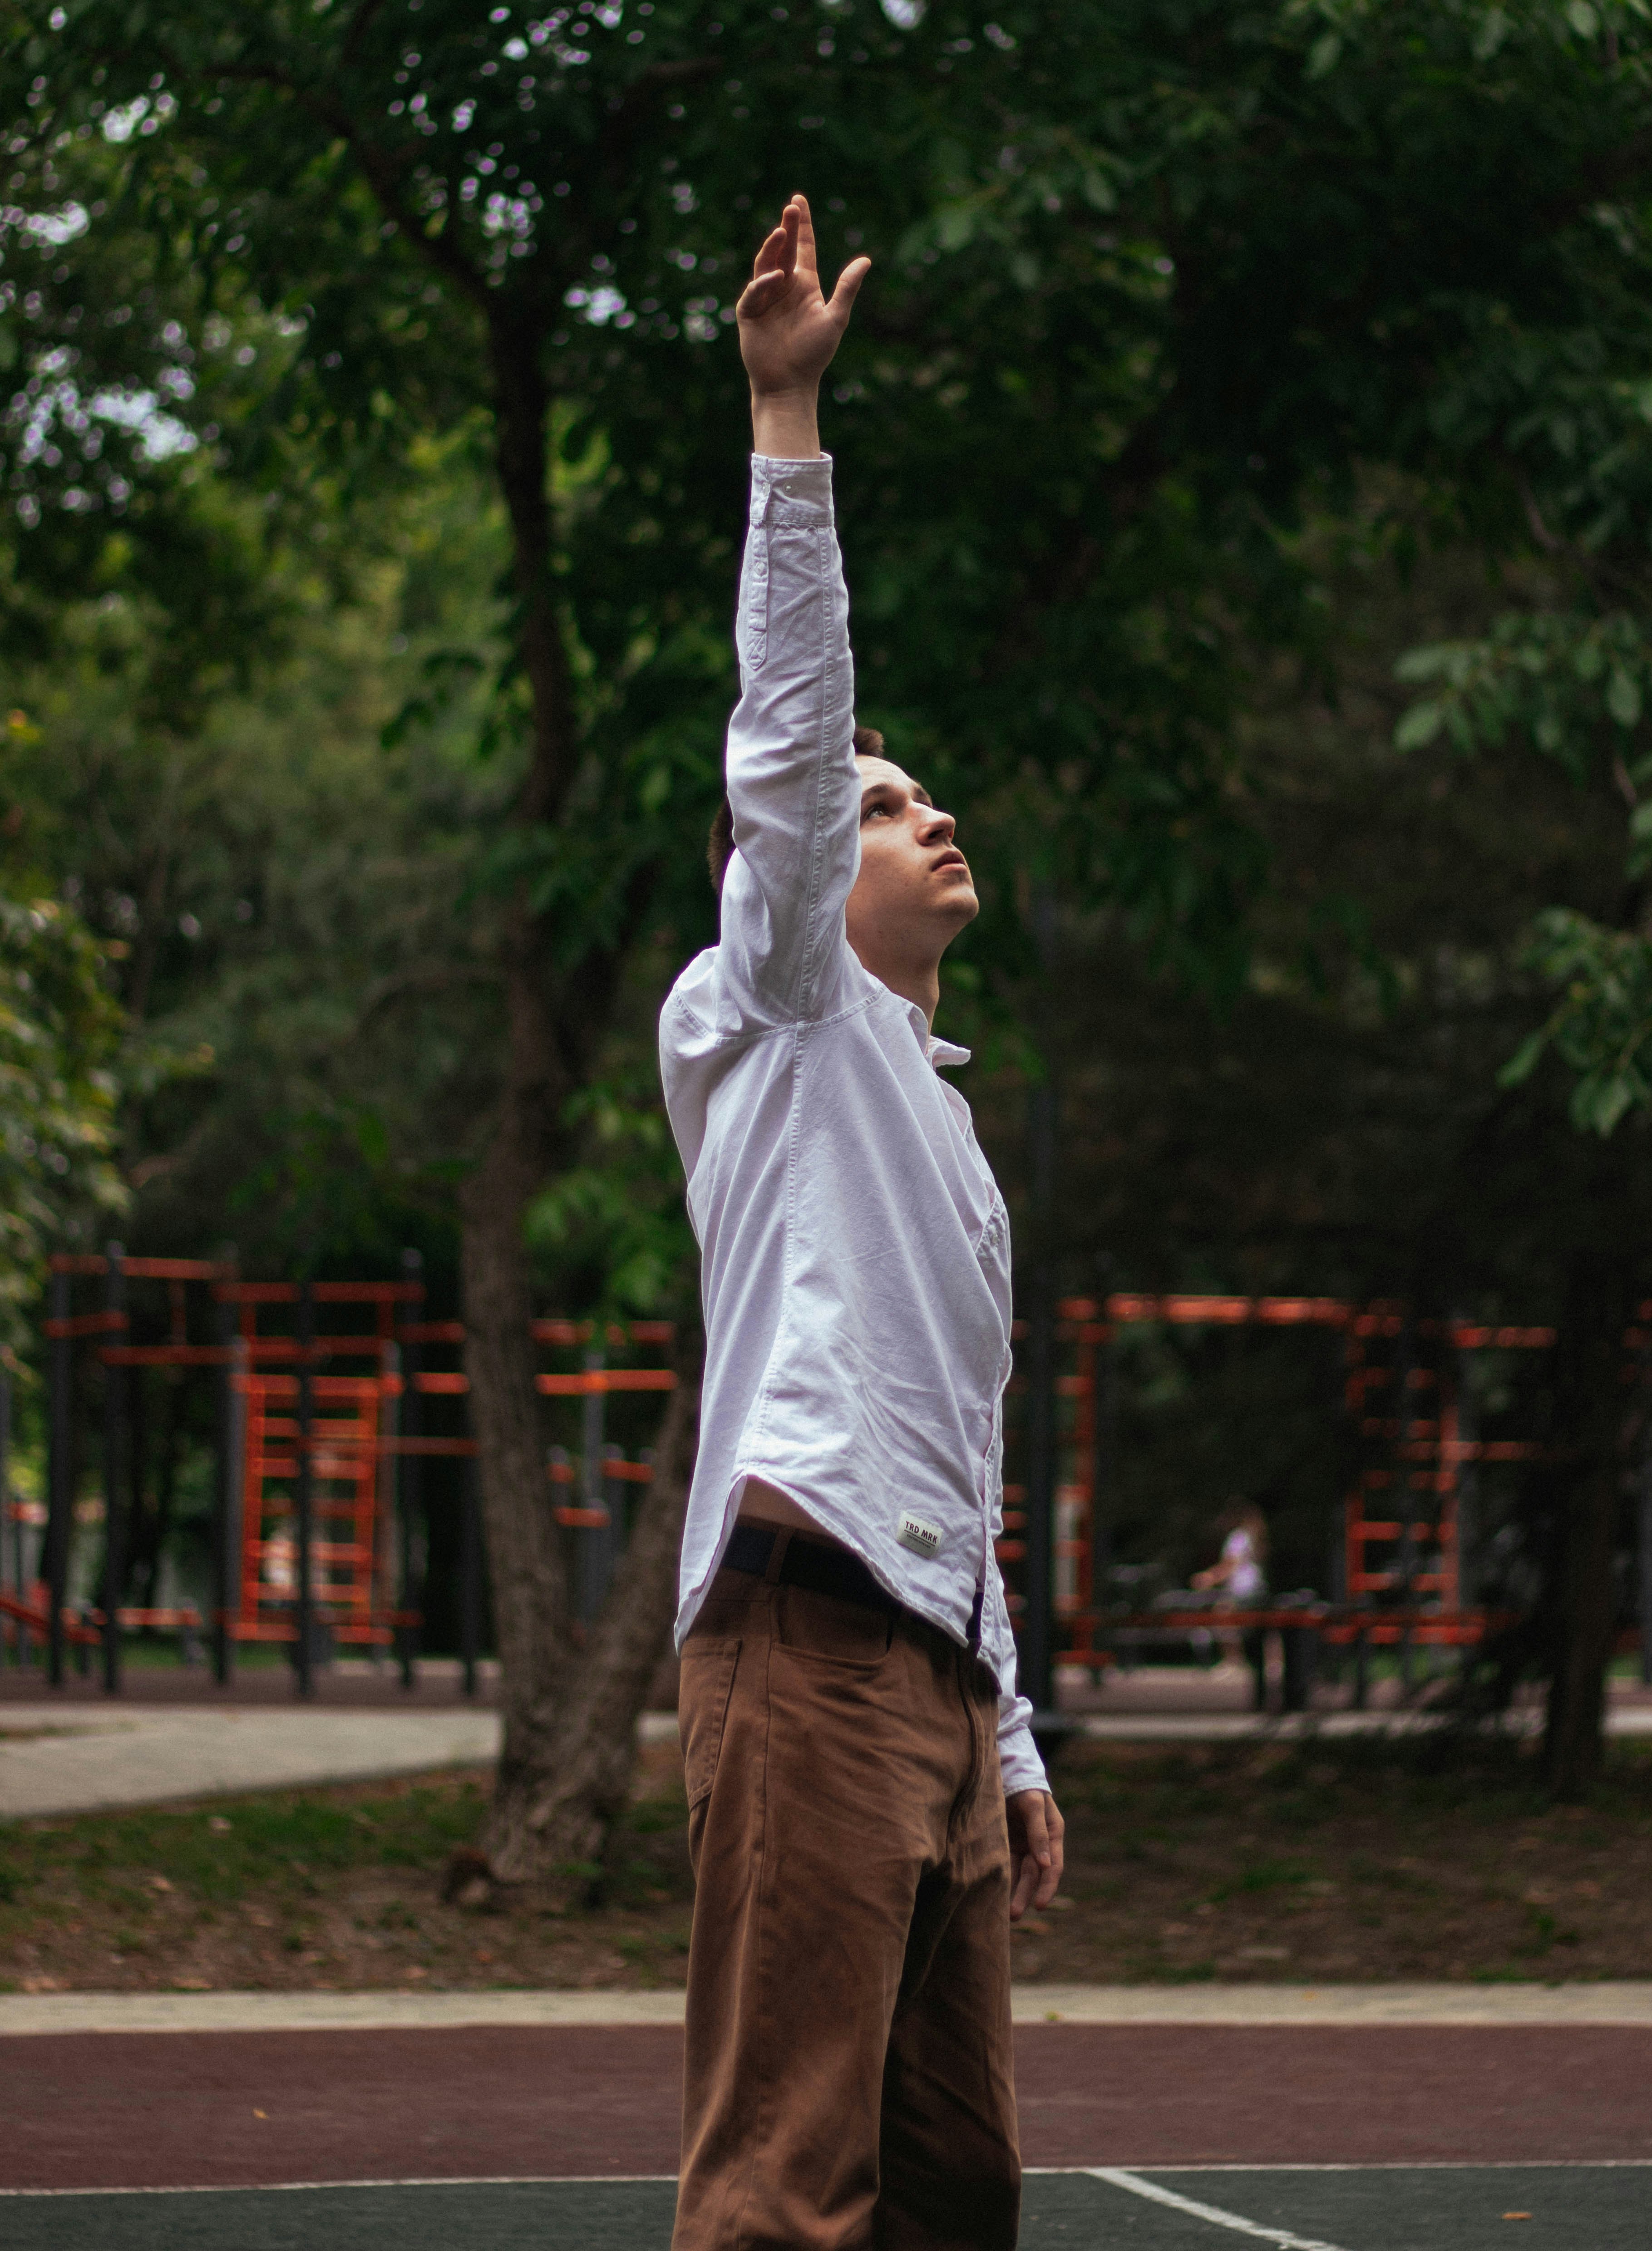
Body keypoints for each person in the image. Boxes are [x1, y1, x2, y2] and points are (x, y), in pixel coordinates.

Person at [659, 194, 1064, 2251]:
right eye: (893, 807)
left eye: (921, 799)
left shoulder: (946, 1137)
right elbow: (791, 738)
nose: (927, 816)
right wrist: (785, 418)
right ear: (801, 870)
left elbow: (955, 1450)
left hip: (931, 1688)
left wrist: (1011, 1730)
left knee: (953, 2191)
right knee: (779, 2195)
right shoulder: (765, 1008)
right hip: (801, 1647)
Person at [1193, 1500, 1271, 1708]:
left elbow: (1230, 1564)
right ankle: (1271, 1663)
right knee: (1258, 1626)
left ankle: (1233, 1661)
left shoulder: (1237, 1538)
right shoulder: (1255, 1536)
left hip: (1241, 1587)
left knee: (1222, 1619)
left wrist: (1209, 1577)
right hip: (1255, 1586)